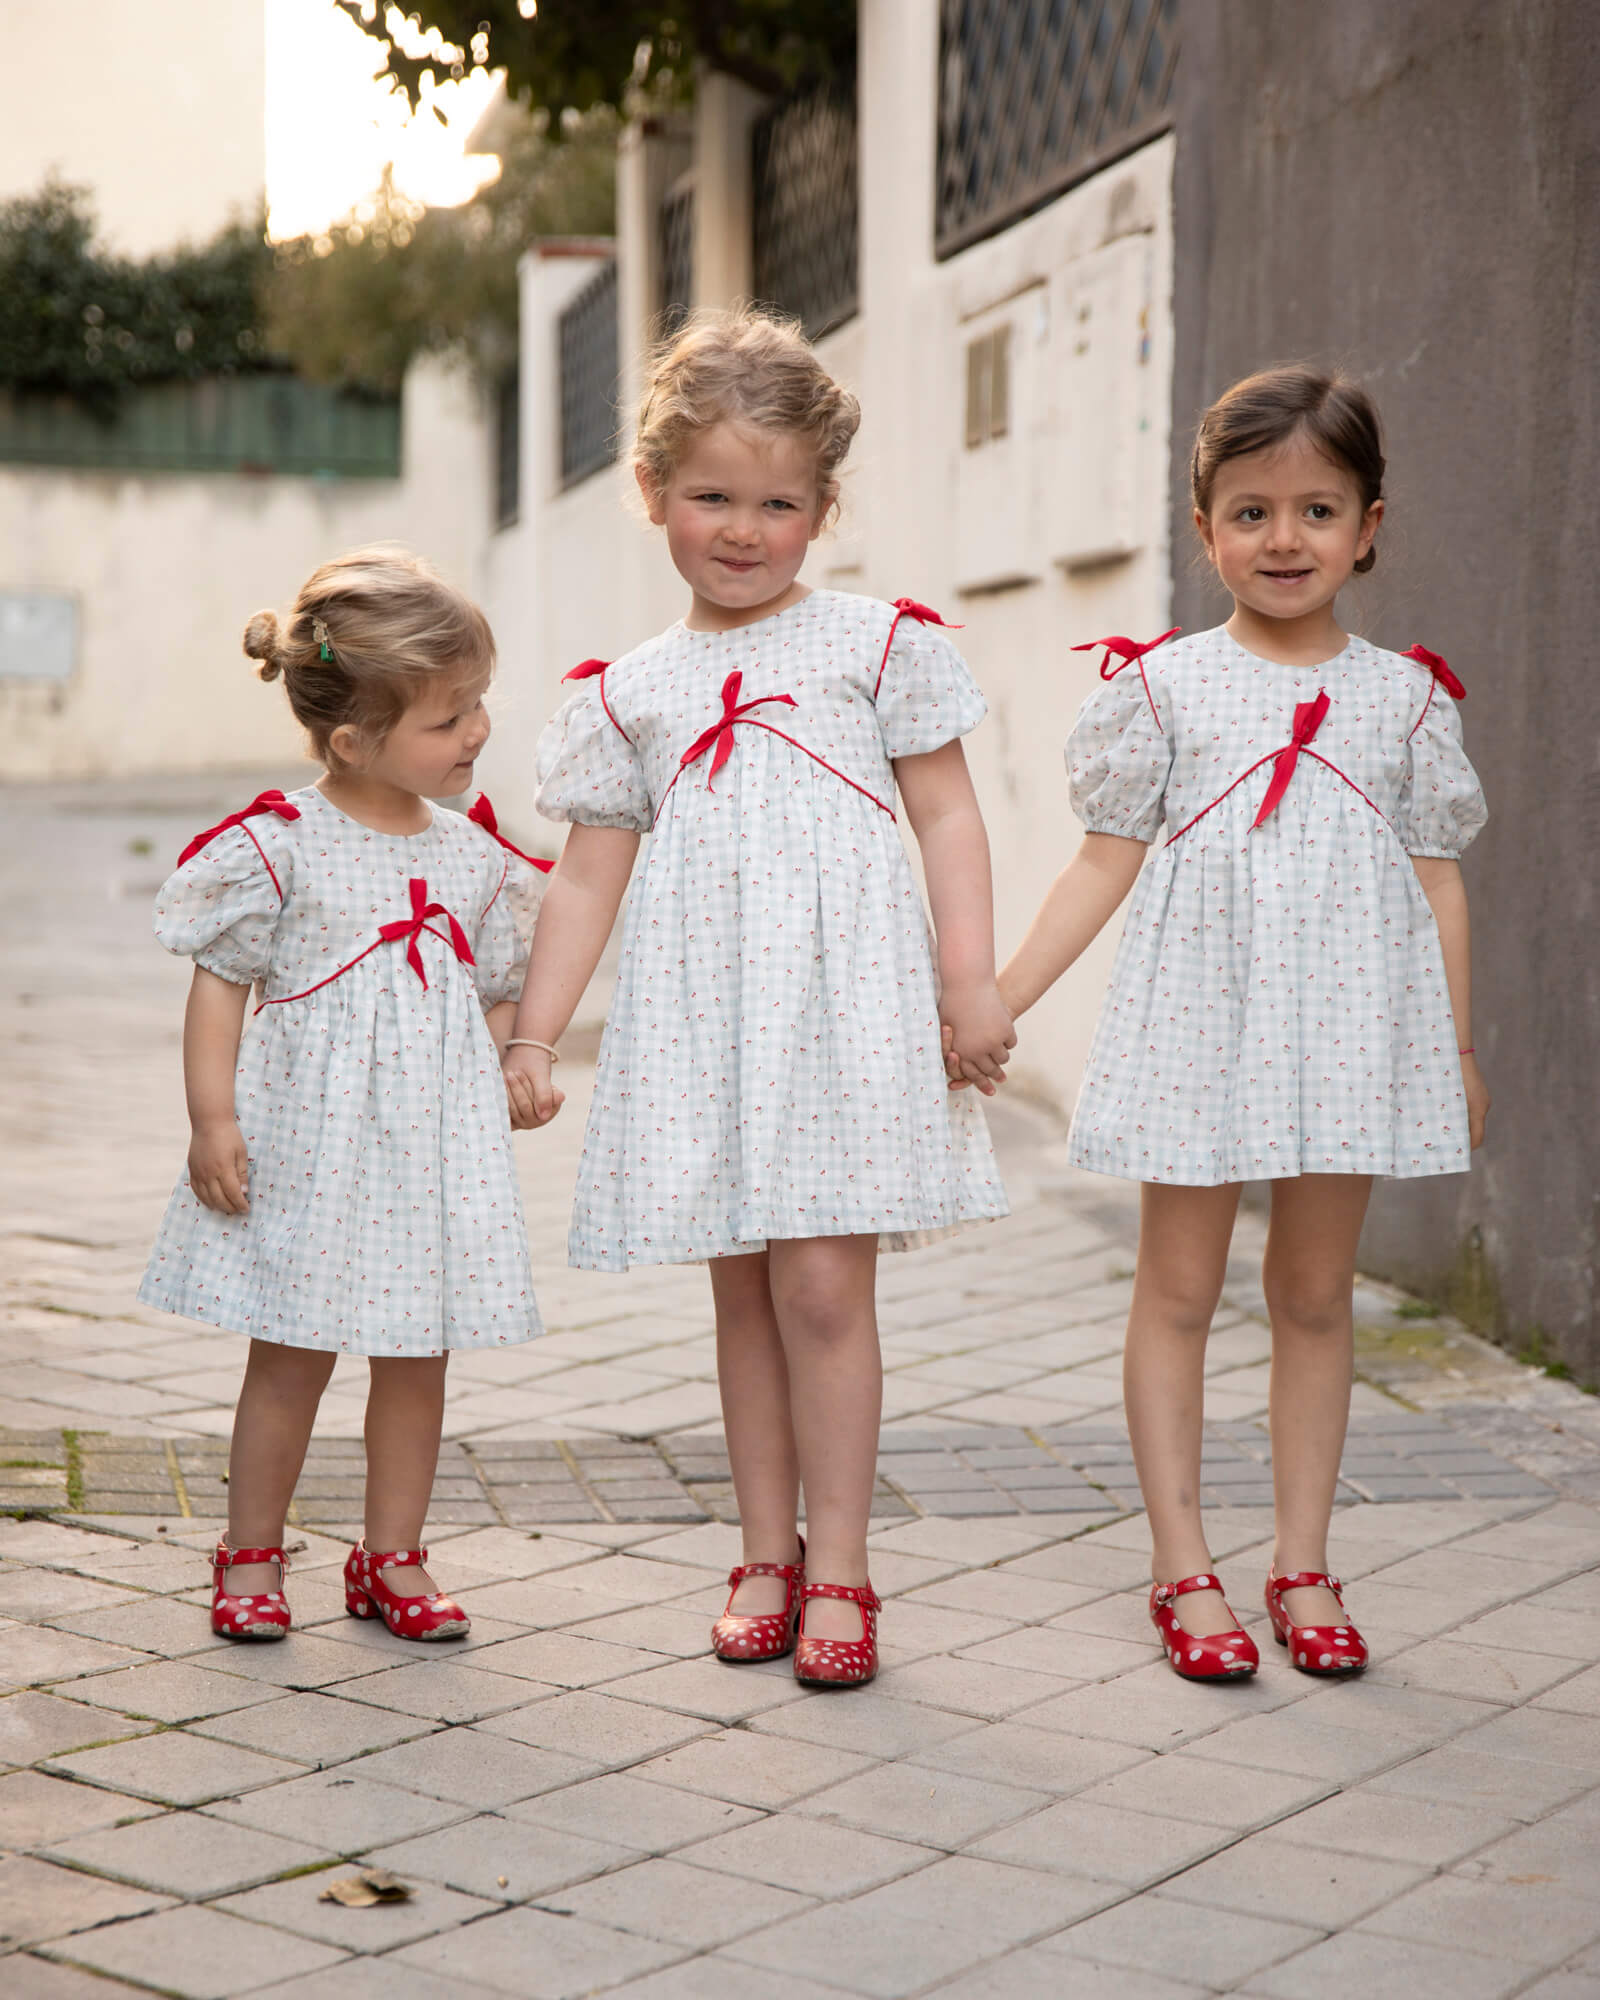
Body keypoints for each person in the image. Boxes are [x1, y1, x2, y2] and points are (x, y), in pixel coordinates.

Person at [503, 306, 1011, 1688]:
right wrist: (535, 1031)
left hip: (844, 1018)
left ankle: (842, 1564)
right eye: (712, 496)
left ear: (823, 506)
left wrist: (970, 985)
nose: (742, 528)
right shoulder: (632, 694)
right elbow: (585, 880)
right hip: (706, 1026)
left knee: (827, 1291)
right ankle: (762, 1552)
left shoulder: (876, 647)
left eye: (778, 502)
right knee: (743, 1299)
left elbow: (951, 821)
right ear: (654, 493)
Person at [970, 366, 1487, 1679]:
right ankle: (1181, 1564)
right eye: (1249, 512)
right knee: (1181, 1291)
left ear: (1370, 526)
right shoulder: (1163, 692)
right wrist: (1000, 997)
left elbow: (1438, 881)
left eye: (1318, 510)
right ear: (1204, 532)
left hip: (1347, 1031)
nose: (1284, 539)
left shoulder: (1408, 702)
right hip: (1199, 1025)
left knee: (1314, 1295)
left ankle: (1303, 1561)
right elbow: (1101, 862)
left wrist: (1458, 1050)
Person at [140, 547, 547, 1643]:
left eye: (477, 705)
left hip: (429, 1154)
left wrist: (517, 1056)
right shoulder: (279, 847)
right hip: (312, 1148)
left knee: (419, 1357)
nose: (476, 732)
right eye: (449, 716)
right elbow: (220, 987)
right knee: (291, 1357)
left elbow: (495, 989)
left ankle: (392, 1557)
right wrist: (212, 1119)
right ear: (355, 740)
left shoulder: (473, 857)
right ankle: (251, 1550)